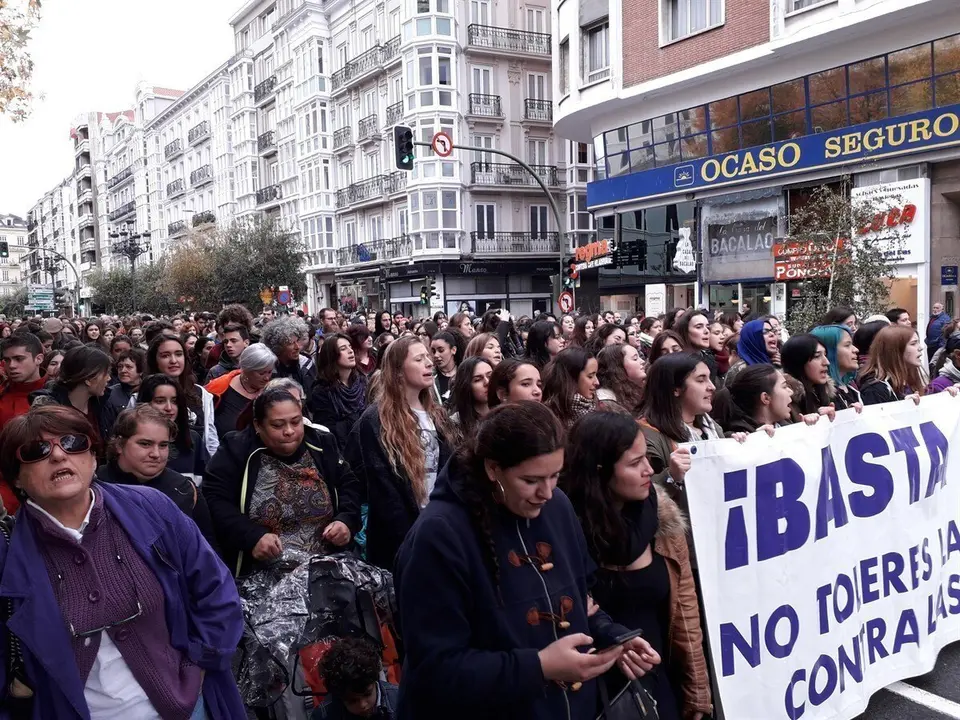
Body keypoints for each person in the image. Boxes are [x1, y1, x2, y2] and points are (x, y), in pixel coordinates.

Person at [394, 402, 660, 720]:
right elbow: (435, 668)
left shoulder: (558, 507)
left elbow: (582, 601)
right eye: (531, 480)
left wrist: (612, 636)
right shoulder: (438, 536)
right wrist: (539, 666)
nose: (546, 492)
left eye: (555, 476)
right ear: (493, 469)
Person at [0, 404, 246, 718]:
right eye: (37, 451)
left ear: (93, 458)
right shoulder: (8, 552)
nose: (59, 456)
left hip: (185, 706)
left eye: (73, 443)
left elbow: (215, 588)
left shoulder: (151, 507)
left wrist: (200, 663)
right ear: (17, 478)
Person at [562, 411, 712, 720]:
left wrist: (697, 688)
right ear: (600, 471)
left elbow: (685, 610)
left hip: (659, 679)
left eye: (647, 458)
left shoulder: (660, 518)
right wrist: (607, 641)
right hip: (592, 690)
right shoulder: (562, 528)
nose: (649, 470)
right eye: (634, 463)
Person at [204, 386, 362, 577]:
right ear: (258, 425)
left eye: (296, 422)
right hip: (261, 571)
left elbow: (349, 484)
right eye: (278, 425)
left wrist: (345, 521)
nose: (289, 431)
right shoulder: (236, 450)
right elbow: (215, 499)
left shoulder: (322, 444)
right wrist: (251, 536)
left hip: (325, 568)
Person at [345, 336, 454, 570]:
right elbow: (384, 493)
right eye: (419, 359)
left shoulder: (437, 415)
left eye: (427, 357)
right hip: (400, 541)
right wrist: (414, 540)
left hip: (439, 529)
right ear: (398, 372)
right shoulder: (375, 419)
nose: (429, 363)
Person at [97, 404, 217, 548]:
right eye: (145, 444)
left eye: (163, 445)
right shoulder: (94, 486)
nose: (156, 454)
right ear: (119, 445)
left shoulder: (184, 489)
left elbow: (208, 550)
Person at [639, 353, 723, 501]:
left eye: (709, 378)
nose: (712, 387)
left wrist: (746, 443)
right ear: (675, 389)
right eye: (701, 380)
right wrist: (671, 476)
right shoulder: (645, 436)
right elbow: (640, 495)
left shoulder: (712, 427)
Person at [146, 335, 219, 458]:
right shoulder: (139, 395)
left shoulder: (201, 394)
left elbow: (210, 439)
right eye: (165, 355)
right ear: (154, 360)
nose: (173, 360)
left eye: (179, 354)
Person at [31, 345, 112, 444]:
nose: (109, 378)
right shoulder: (50, 415)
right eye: (105, 373)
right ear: (88, 379)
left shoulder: (102, 406)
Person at [313, 637, 399, 720]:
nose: (363, 705)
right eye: (352, 701)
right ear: (339, 697)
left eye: (367, 694)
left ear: (375, 681)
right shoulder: (324, 715)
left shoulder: (400, 700)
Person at [309, 333, 369, 451]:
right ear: (332, 355)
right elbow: (327, 431)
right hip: (343, 450)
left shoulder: (363, 381)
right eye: (343, 349)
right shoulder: (322, 391)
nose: (350, 351)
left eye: (350, 347)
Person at [205, 344, 278, 439]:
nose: (267, 378)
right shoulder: (219, 389)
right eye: (261, 373)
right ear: (246, 370)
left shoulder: (272, 391)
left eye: (269, 372)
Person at [711, 364, 806, 435]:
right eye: (784, 387)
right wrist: (757, 440)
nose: (791, 392)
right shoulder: (741, 438)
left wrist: (807, 429)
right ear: (765, 398)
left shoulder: (786, 425)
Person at [858, 325, 924, 405]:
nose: (920, 348)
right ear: (895, 350)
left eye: (918, 343)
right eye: (913, 344)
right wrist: (901, 406)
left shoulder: (908, 377)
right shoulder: (875, 389)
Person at [781, 334, 836, 419]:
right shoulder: (784, 403)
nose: (827, 362)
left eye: (825, 355)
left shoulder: (823, 392)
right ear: (798, 361)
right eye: (817, 356)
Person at [0, 333, 48, 431]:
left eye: (19, 359)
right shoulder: (2, 391)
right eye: (7, 360)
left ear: (39, 359)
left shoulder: (57, 396)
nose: (11, 365)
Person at [542, 347, 599, 427]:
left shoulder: (598, 406)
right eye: (590, 376)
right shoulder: (549, 417)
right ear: (572, 378)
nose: (597, 382)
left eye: (596, 375)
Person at [263, 315, 317, 399]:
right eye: (290, 343)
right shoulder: (268, 369)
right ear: (278, 346)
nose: (297, 347)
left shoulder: (306, 364)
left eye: (297, 341)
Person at [810, 324, 862, 410]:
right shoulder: (819, 396)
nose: (856, 349)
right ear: (829, 352)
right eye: (847, 345)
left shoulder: (851, 388)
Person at [723, 318, 781, 387]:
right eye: (765, 331)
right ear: (752, 339)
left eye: (773, 331)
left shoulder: (778, 364)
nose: (772, 334)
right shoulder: (740, 371)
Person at [447, 356, 492, 443]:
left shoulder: (507, 413)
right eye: (478, 380)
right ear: (466, 385)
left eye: (490, 376)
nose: (487, 382)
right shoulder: (455, 423)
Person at [102, 348, 145, 432]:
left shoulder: (149, 391)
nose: (123, 370)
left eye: (128, 367)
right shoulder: (109, 393)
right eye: (120, 367)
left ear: (140, 371)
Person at [595, 343, 645, 414]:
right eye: (635, 359)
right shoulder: (605, 402)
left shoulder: (637, 390)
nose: (642, 361)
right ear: (618, 367)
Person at [675, 311, 718, 384]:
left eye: (708, 327)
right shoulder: (676, 362)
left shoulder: (709, 359)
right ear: (685, 331)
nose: (706, 331)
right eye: (699, 327)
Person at [429, 329, 464, 405]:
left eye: (441, 350)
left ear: (453, 350)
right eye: (433, 351)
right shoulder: (430, 377)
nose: (436, 355)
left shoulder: (465, 373)